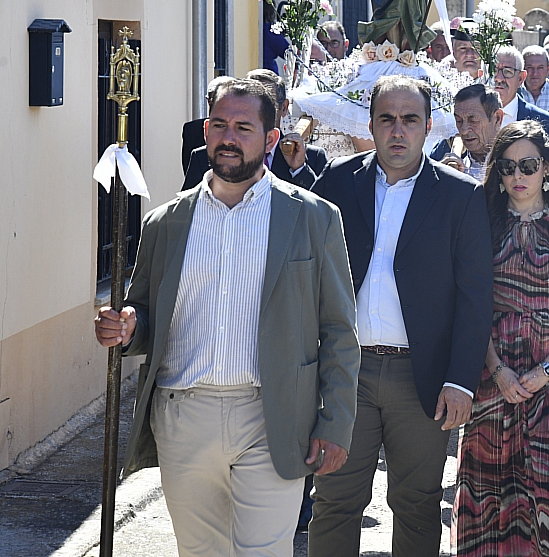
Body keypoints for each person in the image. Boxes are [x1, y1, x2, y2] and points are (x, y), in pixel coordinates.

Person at [95, 79, 360, 557]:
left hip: (273, 416)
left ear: (272, 138)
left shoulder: (313, 218)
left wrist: (335, 421)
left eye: (243, 126)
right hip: (183, 415)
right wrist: (129, 325)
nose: (229, 137)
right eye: (219, 125)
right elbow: (146, 316)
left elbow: (339, 330)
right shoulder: (166, 221)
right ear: (205, 131)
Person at [309, 75, 494, 557]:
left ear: (429, 127)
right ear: (369, 124)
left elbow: (476, 297)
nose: (397, 131)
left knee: (416, 504)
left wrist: (461, 380)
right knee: (334, 500)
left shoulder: (461, 196)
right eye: (386, 119)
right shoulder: (336, 182)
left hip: (423, 378)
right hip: (345, 374)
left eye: (410, 120)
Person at [452, 120, 549, 556]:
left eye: (528, 165)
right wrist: (498, 370)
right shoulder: (481, 222)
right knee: (493, 490)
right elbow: (472, 306)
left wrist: (545, 371)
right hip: (494, 374)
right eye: (507, 167)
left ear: (546, 168)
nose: (517, 176)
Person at [183, 69, 328, 192]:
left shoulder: (311, 158)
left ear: (284, 107)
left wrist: (299, 170)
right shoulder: (204, 156)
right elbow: (188, 210)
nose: (257, 111)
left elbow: (322, 214)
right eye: (249, 104)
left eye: (269, 103)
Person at [493, 45, 549, 151]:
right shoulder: (472, 114)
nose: (499, 78)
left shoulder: (545, 122)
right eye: (494, 70)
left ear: (521, 78)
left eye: (508, 71)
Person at [434, 83, 505, 181]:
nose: (464, 130)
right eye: (459, 121)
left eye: (473, 120)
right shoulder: (444, 152)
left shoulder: (513, 160)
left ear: (497, 119)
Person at [181, 75, 236, 174]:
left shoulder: (246, 129)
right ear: (208, 101)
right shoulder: (192, 130)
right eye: (215, 100)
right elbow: (190, 171)